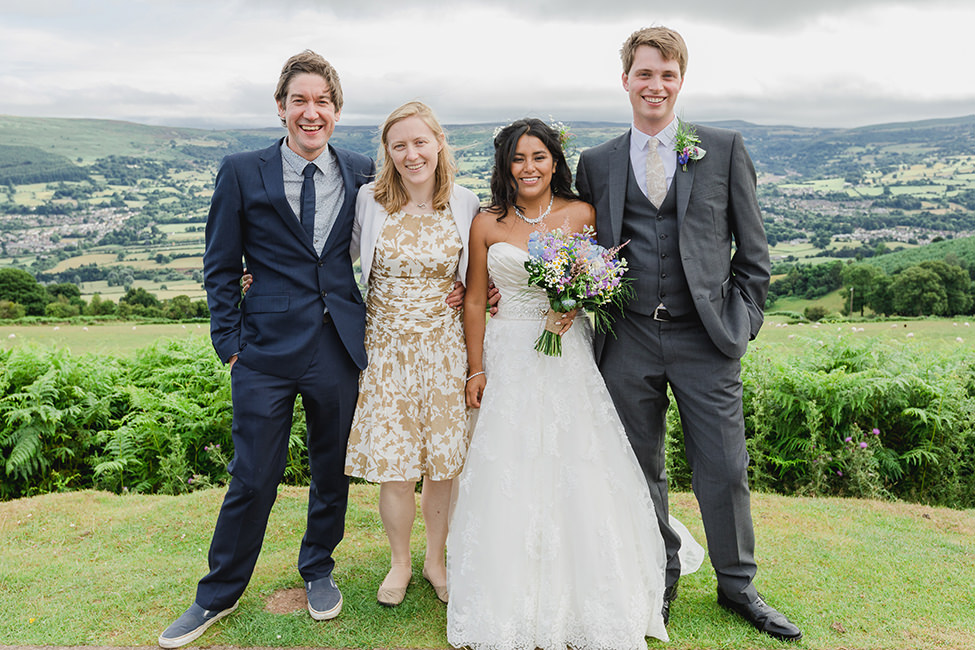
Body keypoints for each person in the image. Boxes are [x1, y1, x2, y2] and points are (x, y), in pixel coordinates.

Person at [575, 27, 802, 641]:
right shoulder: (596, 163)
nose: (656, 85)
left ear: (681, 81)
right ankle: (658, 577)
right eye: (645, 74)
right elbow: (578, 248)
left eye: (667, 75)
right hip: (626, 340)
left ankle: (738, 585)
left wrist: (742, 323)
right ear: (625, 80)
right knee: (637, 468)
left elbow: (754, 255)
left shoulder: (723, 148)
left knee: (724, 468)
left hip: (707, 340)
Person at [447, 118, 703, 650]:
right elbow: (475, 298)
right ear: (504, 166)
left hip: (569, 355)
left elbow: (609, 279)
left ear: (556, 162)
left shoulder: (581, 214)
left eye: (539, 157)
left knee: (576, 460)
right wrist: (476, 369)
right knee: (510, 464)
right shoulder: (488, 224)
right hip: (509, 353)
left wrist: (579, 303)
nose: (529, 168)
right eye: (518, 159)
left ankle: (590, 587)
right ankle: (508, 590)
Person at [158, 50, 374, 649]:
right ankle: (215, 595)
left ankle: (318, 568)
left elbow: (414, 219)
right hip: (262, 353)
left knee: (332, 468)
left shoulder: (361, 170)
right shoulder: (241, 170)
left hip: (336, 344)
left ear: (336, 110)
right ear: (281, 108)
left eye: (322, 102)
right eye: (299, 101)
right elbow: (221, 265)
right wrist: (230, 345)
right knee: (253, 475)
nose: (311, 112)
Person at [344, 101, 480, 606]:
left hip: (445, 350)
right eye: (398, 145)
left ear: (439, 143)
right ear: (388, 152)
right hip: (385, 350)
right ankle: (400, 563)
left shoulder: (464, 203)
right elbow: (334, 260)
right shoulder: (368, 200)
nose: (410, 153)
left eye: (419, 141)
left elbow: (481, 269)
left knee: (443, 466)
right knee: (397, 466)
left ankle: (435, 560)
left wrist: (478, 289)